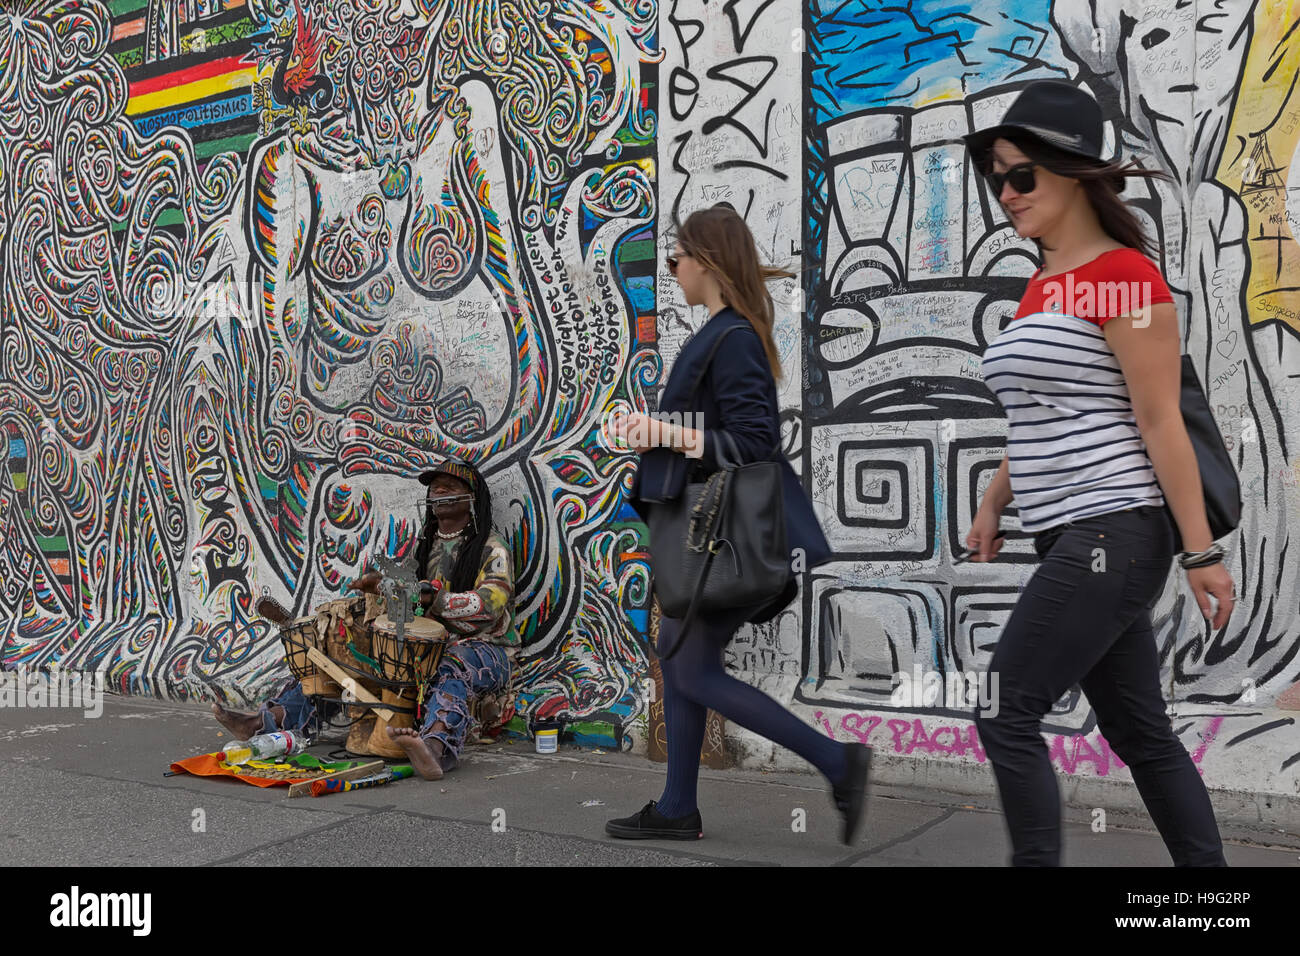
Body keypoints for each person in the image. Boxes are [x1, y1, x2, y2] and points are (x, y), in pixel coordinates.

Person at [961, 79, 1236, 866]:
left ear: (1075, 172)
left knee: (1005, 711)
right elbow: (1046, 414)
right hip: (1069, 535)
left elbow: (1160, 425)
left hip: (1116, 528)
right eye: (998, 179)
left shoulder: (1126, 277)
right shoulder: (1045, 285)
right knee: (1141, 731)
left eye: (1022, 175)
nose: (1006, 193)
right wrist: (994, 501)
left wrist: (1202, 553)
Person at [604, 204, 872, 845]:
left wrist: (662, 430)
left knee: (691, 670)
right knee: (680, 662)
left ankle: (838, 762)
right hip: (701, 537)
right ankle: (676, 807)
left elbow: (755, 442)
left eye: (678, 259)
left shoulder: (734, 337)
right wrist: (653, 436)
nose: (673, 270)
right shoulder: (723, 331)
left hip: (715, 540)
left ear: (708, 262)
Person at [213, 457, 519, 780]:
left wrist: (433, 597)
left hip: (486, 650)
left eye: (450, 487)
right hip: (429, 648)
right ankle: (265, 721)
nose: (439, 492)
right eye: (434, 488)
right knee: (345, 654)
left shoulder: (492, 547)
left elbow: (490, 605)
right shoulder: (424, 548)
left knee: (452, 664)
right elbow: (408, 601)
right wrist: (376, 595)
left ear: (471, 499)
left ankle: (435, 748)